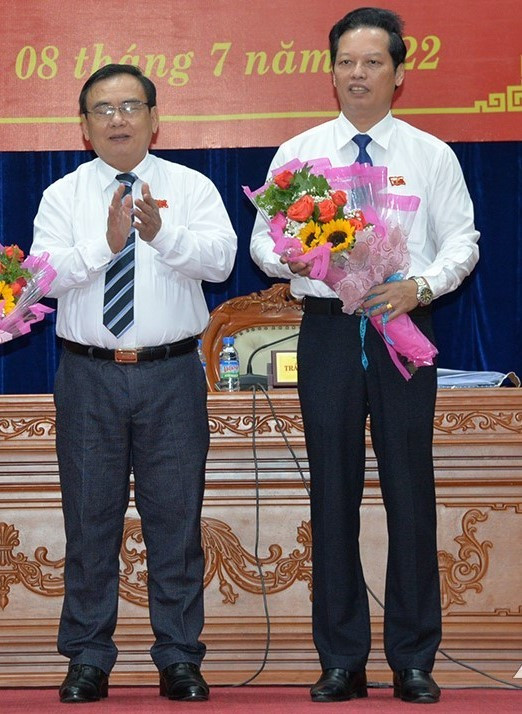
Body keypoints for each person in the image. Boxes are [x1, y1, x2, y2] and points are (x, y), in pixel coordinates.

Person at [250, 7, 479, 705]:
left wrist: (420, 286)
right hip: (326, 330)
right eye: (346, 62)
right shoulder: (298, 154)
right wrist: (296, 259)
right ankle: (341, 658)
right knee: (332, 490)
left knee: (411, 490)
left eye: (373, 62)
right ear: (331, 72)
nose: (358, 74)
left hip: (401, 328)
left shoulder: (431, 155)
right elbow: (261, 243)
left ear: (398, 74)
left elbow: (462, 241)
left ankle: (413, 658)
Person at [31, 63, 237, 703]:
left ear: (154, 118)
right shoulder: (63, 195)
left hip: (171, 374)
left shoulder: (192, 187)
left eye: (130, 107)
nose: (117, 119)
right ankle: (88, 657)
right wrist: (106, 243)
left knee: (175, 521)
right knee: (89, 519)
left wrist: (161, 234)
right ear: (84, 125)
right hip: (88, 376)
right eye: (103, 109)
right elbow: (42, 276)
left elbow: (222, 260)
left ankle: (179, 657)